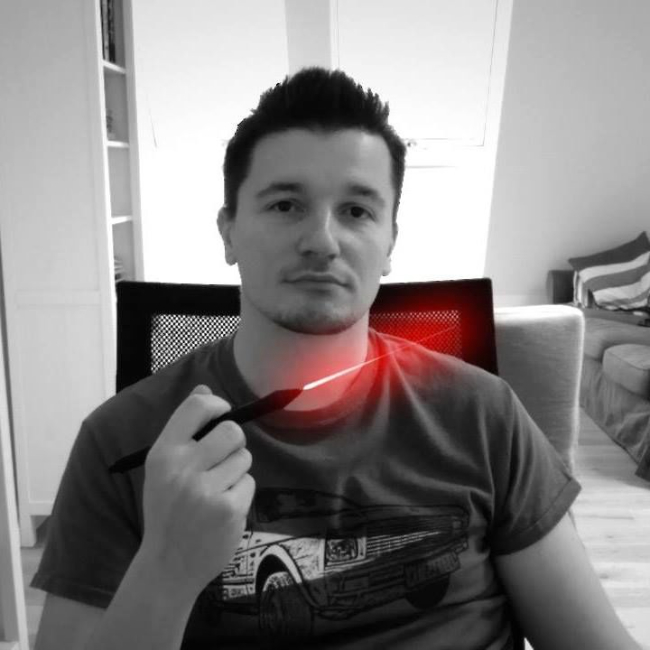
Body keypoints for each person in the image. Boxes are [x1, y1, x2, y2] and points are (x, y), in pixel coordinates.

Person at [32, 67, 640, 650]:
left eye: (356, 211)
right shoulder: (123, 441)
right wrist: (166, 565)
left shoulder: (485, 416)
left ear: (390, 241)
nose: (322, 240)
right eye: (285, 205)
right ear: (228, 231)